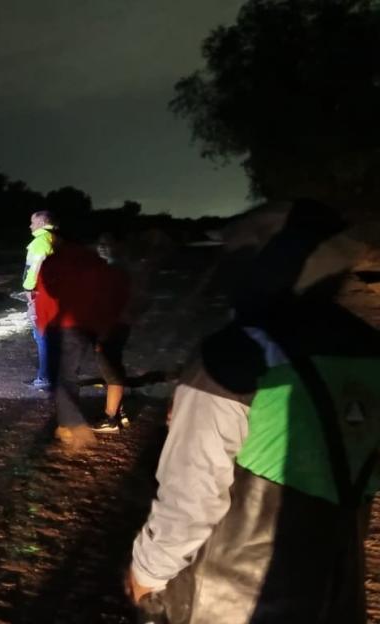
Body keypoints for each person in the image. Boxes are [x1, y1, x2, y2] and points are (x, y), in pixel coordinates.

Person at [126, 199, 380, 623]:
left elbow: (193, 492)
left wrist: (148, 572)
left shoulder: (234, 356)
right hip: (335, 584)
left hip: (232, 596)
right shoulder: (369, 348)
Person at [33, 235, 128, 450]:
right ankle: (66, 424)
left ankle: (74, 426)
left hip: (61, 326)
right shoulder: (97, 264)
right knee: (69, 375)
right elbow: (110, 297)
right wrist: (102, 327)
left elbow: (44, 296)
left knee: (62, 376)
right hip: (87, 327)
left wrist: (42, 325)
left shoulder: (53, 262)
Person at [91, 231, 136, 431]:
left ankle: (110, 419)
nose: (101, 247)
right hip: (120, 325)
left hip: (111, 326)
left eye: (107, 243)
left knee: (110, 372)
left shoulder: (114, 271)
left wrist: (101, 332)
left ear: (119, 246)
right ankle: (119, 411)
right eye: (100, 243)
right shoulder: (120, 268)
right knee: (115, 366)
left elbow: (110, 304)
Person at [23, 211, 57, 391]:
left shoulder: (40, 242)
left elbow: (33, 269)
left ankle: (44, 377)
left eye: (33, 222)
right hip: (53, 294)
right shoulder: (55, 239)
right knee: (49, 336)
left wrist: (29, 291)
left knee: (41, 336)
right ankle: (52, 374)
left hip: (40, 294)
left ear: (42, 222)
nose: (30, 226)